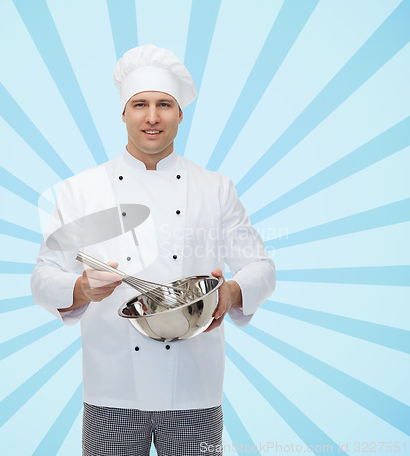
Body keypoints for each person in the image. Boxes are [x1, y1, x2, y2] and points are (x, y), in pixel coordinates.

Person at [31, 44, 275, 456]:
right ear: (123, 113)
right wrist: (80, 288)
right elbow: (42, 277)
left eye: (164, 104)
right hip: (112, 389)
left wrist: (231, 292)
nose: (152, 116)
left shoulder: (215, 188)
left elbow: (262, 267)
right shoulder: (82, 190)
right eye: (139, 104)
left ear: (180, 114)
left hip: (194, 390)